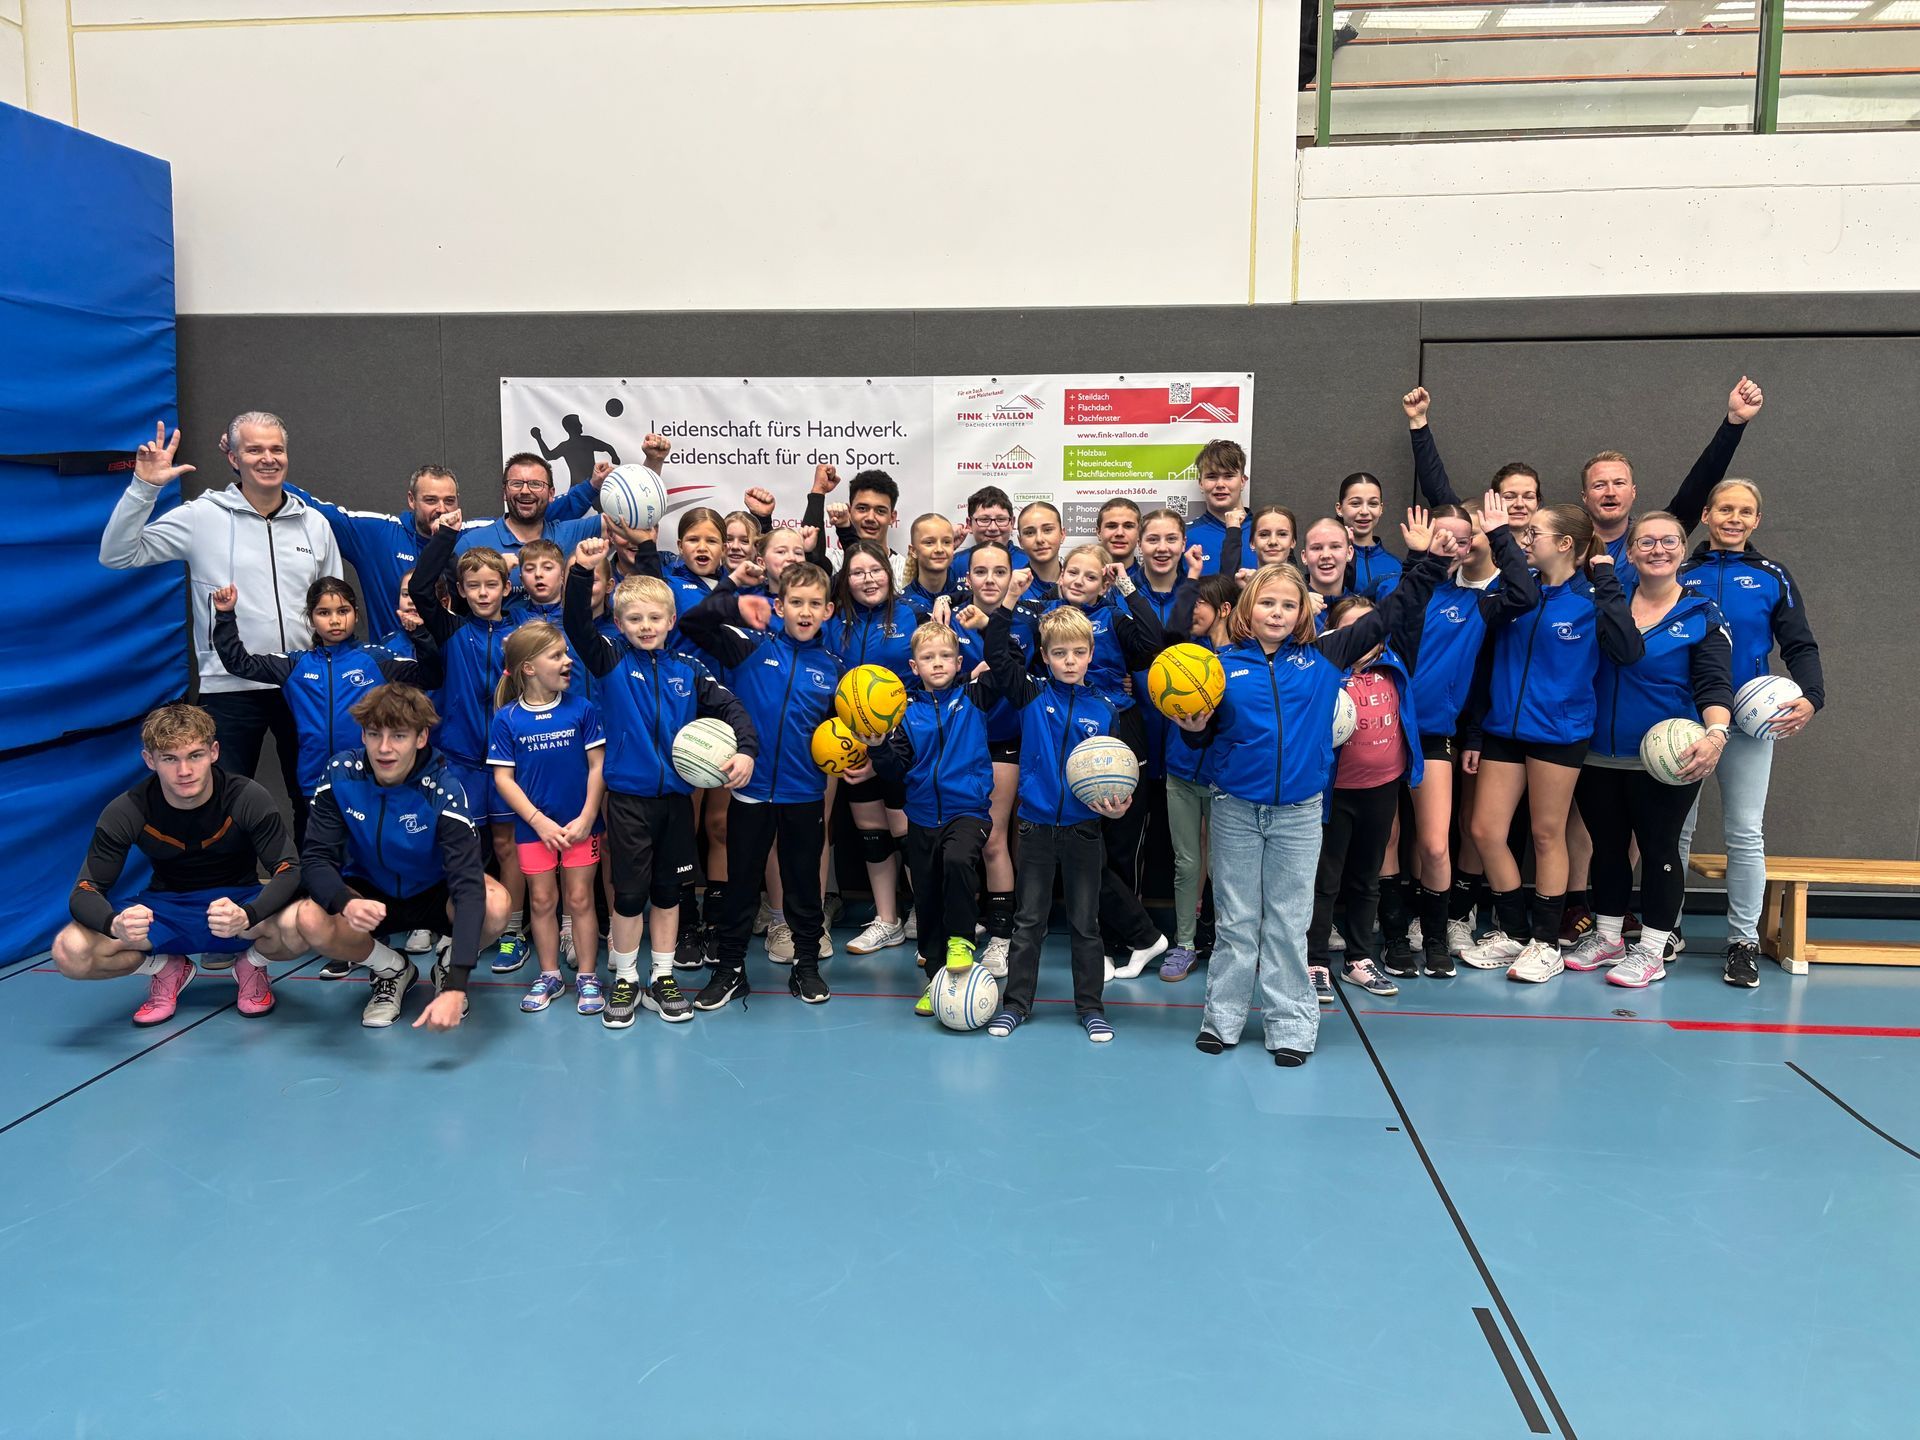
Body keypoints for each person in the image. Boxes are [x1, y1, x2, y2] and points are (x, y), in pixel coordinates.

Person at [1172, 516, 1449, 1065]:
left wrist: (1430, 562)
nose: (1277, 613)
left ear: (1304, 613)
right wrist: (1193, 727)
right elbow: (1202, 738)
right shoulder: (1219, 667)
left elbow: (1392, 613)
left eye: (1288, 605)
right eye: (1267, 603)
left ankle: (1291, 1026)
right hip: (1235, 809)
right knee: (1236, 923)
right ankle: (1222, 1019)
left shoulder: (1326, 657)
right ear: (1246, 609)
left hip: (1299, 813)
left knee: (1288, 924)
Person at [100, 416, 342, 829]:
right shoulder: (202, 517)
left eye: (276, 449)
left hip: (303, 684)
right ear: (233, 457)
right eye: (254, 449)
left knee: (315, 799)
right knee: (223, 807)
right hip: (229, 688)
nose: (268, 458)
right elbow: (116, 554)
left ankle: (311, 871)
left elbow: (333, 606)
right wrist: (144, 488)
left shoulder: (314, 524)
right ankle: (231, 874)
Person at [564, 543, 758, 1028]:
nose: (646, 626)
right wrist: (583, 571)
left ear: (672, 621)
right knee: (630, 896)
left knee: (671, 893)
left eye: (655, 618)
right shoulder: (610, 660)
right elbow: (576, 625)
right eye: (634, 618)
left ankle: (663, 977)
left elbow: (733, 708)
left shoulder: (688, 671)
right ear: (619, 623)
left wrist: (746, 750)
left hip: (675, 801)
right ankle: (626, 977)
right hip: (628, 801)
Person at [1459, 505, 1644, 981]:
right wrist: (1477, 729)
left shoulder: (1591, 599)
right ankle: (1516, 932)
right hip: (1504, 729)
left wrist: (1608, 584)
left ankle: (1545, 943)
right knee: (1485, 830)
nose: (1525, 541)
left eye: (1533, 534)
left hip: (1559, 733)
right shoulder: (1517, 591)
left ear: (1564, 544)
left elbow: (1628, 651)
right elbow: (1484, 660)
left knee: (1546, 834)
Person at [52, 703, 304, 1025]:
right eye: (170, 759)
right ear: (150, 760)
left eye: (194, 755)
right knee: (70, 950)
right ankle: (166, 968)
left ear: (214, 752)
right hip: (166, 912)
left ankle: (252, 964)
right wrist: (114, 924)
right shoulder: (128, 809)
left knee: (304, 923)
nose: (184, 771)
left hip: (238, 906)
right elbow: (85, 890)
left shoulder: (246, 796)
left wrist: (248, 914)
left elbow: (288, 869)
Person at [1567, 511, 1734, 988]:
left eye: (1668, 541)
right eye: (1646, 542)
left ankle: (1653, 948)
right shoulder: (1606, 600)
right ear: (1631, 552)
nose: (1657, 549)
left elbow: (1714, 683)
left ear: (1682, 550)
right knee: (1607, 847)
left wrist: (1716, 735)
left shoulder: (1701, 613)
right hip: (1598, 751)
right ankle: (1608, 937)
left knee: (1660, 848)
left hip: (1666, 759)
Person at [1375, 494, 1537, 980]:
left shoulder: (1478, 604)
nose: (1451, 545)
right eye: (1442, 537)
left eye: (1461, 540)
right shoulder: (1400, 586)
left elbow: (1526, 596)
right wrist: (1419, 558)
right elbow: (1398, 623)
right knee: (1387, 839)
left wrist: (1501, 535)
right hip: (1382, 733)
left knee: (1435, 845)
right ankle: (1394, 938)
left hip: (1432, 737)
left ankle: (1435, 938)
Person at [1677, 478, 1825, 988]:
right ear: (1707, 514)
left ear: (1756, 520)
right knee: (1676, 831)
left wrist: (1811, 696)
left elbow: (1799, 643)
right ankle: (1665, 929)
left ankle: (1742, 941)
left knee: (1744, 831)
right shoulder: (1682, 571)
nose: (1734, 518)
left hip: (1748, 724)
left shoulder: (1771, 575)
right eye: (1725, 509)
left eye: (1744, 511)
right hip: (1686, 721)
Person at [297, 683, 512, 1030]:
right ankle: (391, 969)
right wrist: (344, 902)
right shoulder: (340, 773)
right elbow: (315, 859)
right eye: (374, 734)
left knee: (496, 903)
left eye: (398, 736)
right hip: (369, 893)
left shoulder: (443, 789)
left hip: (434, 891)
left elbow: (468, 884)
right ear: (363, 735)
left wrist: (457, 984)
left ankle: (446, 965)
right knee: (309, 917)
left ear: (421, 737)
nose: (384, 748)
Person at [680, 563, 844, 1009]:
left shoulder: (834, 671)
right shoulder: (751, 647)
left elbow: (845, 734)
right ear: (779, 606)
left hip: (804, 794)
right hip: (749, 793)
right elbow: (693, 622)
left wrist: (860, 752)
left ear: (828, 610)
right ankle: (731, 970)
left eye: (815, 603)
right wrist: (733, 590)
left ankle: (805, 965)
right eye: (796, 602)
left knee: (803, 888)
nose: (805, 611)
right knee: (740, 887)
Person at [977, 603, 1135, 1043]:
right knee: (1028, 922)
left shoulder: (1105, 709)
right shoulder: (1031, 694)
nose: (1069, 662)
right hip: (1035, 827)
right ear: (1045, 656)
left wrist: (1117, 807)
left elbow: (1117, 774)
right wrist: (1006, 605)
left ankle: (1091, 1008)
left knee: (1086, 925)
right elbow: (998, 653)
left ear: (1091, 655)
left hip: (1084, 830)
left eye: (1078, 653)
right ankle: (1016, 1005)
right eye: (1060, 653)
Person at [1042, 544, 1171, 978]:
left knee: (1121, 840)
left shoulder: (1114, 617)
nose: (1079, 581)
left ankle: (1126, 941)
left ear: (1104, 584)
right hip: (1066, 728)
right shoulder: (1047, 616)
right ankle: (1100, 940)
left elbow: (1153, 645)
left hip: (1119, 728)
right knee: (1081, 840)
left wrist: (1129, 587)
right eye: (1073, 572)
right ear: (1061, 575)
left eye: (1091, 576)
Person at [409, 513, 531, 970]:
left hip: (509, 762)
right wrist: (446, 537)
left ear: (505, 588)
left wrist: (517, 565)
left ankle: (511, 931)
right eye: (473, 586)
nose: (482, 593)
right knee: (459, 847)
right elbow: (421, 587)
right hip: (459, 760)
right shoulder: (452, 629)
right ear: (460, 590)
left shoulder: (522, 630)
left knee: (507, 846)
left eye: (491, 585)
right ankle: (458, 925)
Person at [212, 577, 440, 804]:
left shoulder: (377, 659)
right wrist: (225, 615)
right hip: (314, 781)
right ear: (311, 619)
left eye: (343, 611)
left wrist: (420, 635)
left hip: (369, 779)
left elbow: (431, 677)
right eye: (324, 613)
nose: (335, 620)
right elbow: (239, 663)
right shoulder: (295, 665)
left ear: (356, 614)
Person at [866, 621, 996, 1015]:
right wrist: (877, 746)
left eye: (945, 656)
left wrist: (992, 622)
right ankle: (936, 982)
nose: (937, 663)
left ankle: (962, 940)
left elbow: (1006, 660)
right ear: (914, 666)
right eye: (928, 657)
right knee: (927, 897)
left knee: (957, 861)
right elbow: (895, 769)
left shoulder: (974, 697)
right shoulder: (904, 712)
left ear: (959, 662)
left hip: (968, 811)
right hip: (921, 817)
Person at [488, 622, 608, 1016]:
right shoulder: (507, 719)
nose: (567, 661)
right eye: (556, 655)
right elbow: (503, 779)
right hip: (533, 829)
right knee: (541, 901)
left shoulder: (582, 709)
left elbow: (597, 766)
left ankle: (587, 976)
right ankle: (550, 974)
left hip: (580, 826)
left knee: (580, 899)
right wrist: (538, 821)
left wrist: (588, 816)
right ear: (528, 667)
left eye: (565, 653)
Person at [825, 540, 923, 956]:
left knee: (908, 833)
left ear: (889, 572)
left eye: (875, 570)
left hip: (903, 743)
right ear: (845, 579)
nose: (868, 579)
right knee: (872, 833)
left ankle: (927, 913)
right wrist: (860, 750)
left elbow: (927, 680)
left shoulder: (913, 614)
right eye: (858, 572)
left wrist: (887, 745)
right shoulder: (834, 621)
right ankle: (887, 920)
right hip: (852, 746)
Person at [946, 542, 1028, 976]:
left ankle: (1001, 936)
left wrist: (988, 631)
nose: (990, 579)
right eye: (981, 571)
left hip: (1003, 741)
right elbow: (937, 674)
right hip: (960, 742)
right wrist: (967, 677)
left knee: (994, 839)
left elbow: (1024, 671)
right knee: (958, 839)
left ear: (1011, 576)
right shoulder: (948, 617)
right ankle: (965, 922)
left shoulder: (1026, 621)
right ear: (968, 577)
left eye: (999, 571)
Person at [284, 464, 460, 642]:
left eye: (449, 501)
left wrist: (446, 537)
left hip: (453, 656)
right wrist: (271, 480)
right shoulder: (380, 537)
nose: (441, 509)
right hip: (391, 656)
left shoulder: (467, 539)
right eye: (431, 500)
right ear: (411, 500)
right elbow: (318, 510)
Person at [1186, 439, 1253, 575]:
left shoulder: (1265, 532)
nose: (1220, 484)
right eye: (1212, 477)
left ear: (1242, 481)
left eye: (1228, 476)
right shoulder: (1185, 536)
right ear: (1201, 484)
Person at [1337, 473, 1402, 600]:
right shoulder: (1329, 559)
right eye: (1355, 503)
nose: (1365, 511)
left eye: (1373, 503)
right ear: (1339, 508)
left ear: (1381, 509)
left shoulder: (1396, 566)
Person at [955, 485, 1028, 570]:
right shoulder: (956, 564)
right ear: (969, 524)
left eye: (1001, 519)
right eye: (984, 520)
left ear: (1012, 523)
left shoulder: (1029, 562)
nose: (993, 528)